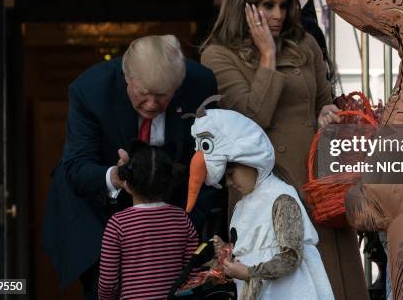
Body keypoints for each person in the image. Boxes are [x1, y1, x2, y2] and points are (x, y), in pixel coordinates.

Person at [200, 0, 367, 299]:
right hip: (267, 187)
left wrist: (326, 112)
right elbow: (249, 120)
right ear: (244, 6)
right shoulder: (218, 55)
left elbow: (322, 100)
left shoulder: (304, 44)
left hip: (318, 180)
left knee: (335, 277)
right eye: (267, 5)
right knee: (282, 281)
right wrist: (267, 56)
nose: (277, 14)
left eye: (283, 5)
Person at [42, 35, 217, 300]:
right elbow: (76, 168)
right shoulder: (90, 90)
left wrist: (181, 230)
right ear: (128, 78)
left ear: (178, 86)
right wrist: (115, 176)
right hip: (99, 217)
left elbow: (208, 162)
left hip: (174, 219)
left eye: (162, 96)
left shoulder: (200, 83)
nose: (151, 105)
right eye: (143, 93)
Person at [186, 106, 334, 300]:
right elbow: (252, 250)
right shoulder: (242, 205)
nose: (229, 183)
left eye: (231, 174)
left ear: (249, 160)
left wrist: (249, 273)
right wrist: (226, 251)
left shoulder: (280, 197)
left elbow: (291, 257)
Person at [98, 141, 198, 300]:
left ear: (127, 182)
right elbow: (192, 272)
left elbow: (108, 283)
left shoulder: (118, 224)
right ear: (168, 182)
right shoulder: (181, 218)